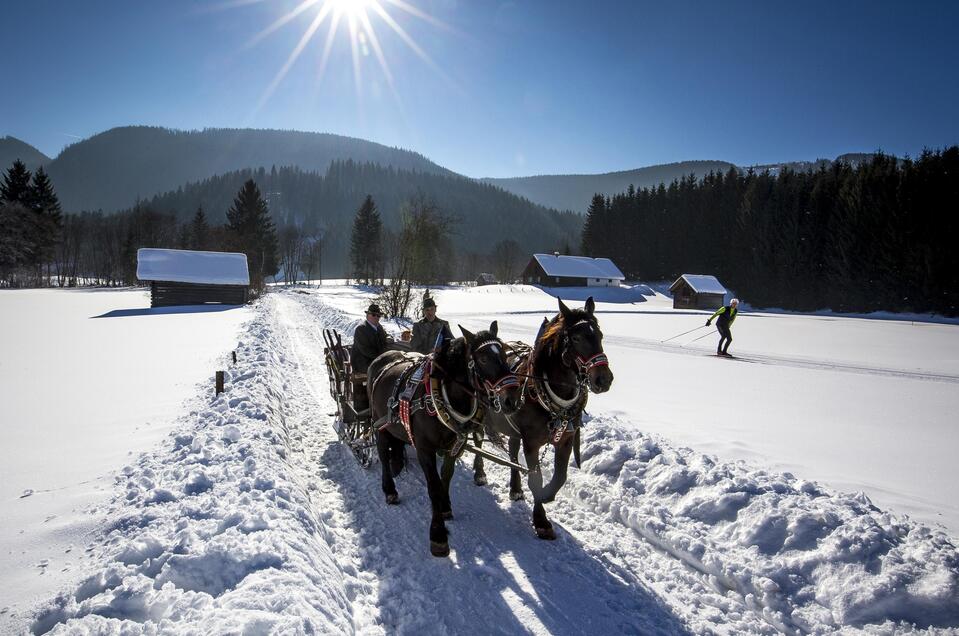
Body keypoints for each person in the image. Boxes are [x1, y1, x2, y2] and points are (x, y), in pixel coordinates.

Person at [352, 303, 390, 375]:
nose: (376, 317)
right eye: (373, 315)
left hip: (378, 360)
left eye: (378, 315)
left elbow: (386, 337)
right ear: (367, 315)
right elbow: (366, 350)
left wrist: (389, 338)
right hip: (363, 362)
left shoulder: (379, 328)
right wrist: (382, 358)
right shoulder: (361, 329)